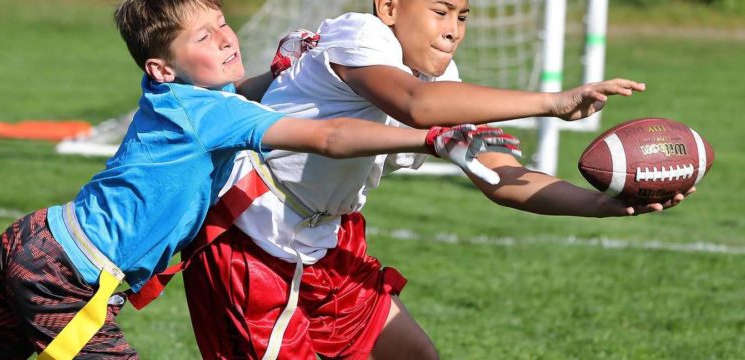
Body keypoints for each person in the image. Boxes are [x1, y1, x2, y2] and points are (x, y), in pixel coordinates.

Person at [0, 0, 519, 358]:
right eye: (204, 36)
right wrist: (432, 138)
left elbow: (247, 99)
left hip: (38, 239)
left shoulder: (185, 98)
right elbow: (329, 136)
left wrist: (289, 66)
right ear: (162, 67)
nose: (224, 38)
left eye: (222, 24)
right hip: (68, 279)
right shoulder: (214, 112)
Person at [170, 0, 697, 359]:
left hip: (325, 242)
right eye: (440, 10)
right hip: (250, 239)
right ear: (390, 7)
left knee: (414, 353)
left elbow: (502, 179)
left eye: (463, 14)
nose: (454, 28)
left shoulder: (440, 79)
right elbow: (415, 106)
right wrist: (551, 103)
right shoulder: (361, 35)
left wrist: (602, 204)